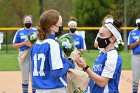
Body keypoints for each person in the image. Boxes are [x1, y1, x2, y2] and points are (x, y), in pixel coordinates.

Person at [30, 9, 81, 93]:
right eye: (59, 24)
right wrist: (71, 59)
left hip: (39, 89)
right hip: (54, 89)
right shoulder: (52, 44)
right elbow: (56, 73)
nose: (61, 26)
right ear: (52, 27)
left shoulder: (35, 44)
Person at [76, 21, 123, 93]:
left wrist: (85, 67)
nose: (98, 38)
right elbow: (93, 81)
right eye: (98, 35)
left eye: (102, 35)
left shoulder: (112, 56)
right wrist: (77, 69)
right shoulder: (101, 55)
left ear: (112, 39)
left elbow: (102, 82)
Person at [13, 15, 37, 93]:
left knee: (34, 76)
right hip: (23, 54)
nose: (28, 23)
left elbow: (40, 43)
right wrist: (24, 43)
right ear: (23, 22)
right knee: (25, 77)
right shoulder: (19, 32)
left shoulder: (35, 31)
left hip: (33, 54)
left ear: (32, 22)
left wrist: (32, 45)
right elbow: (14, 45)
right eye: (26, 21)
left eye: (29, 21)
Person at [128, 18, 140, 93]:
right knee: (135, 77)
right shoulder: (132, 33)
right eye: (138, 24)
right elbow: (129, 47)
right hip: (136, 56)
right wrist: (138, 42)